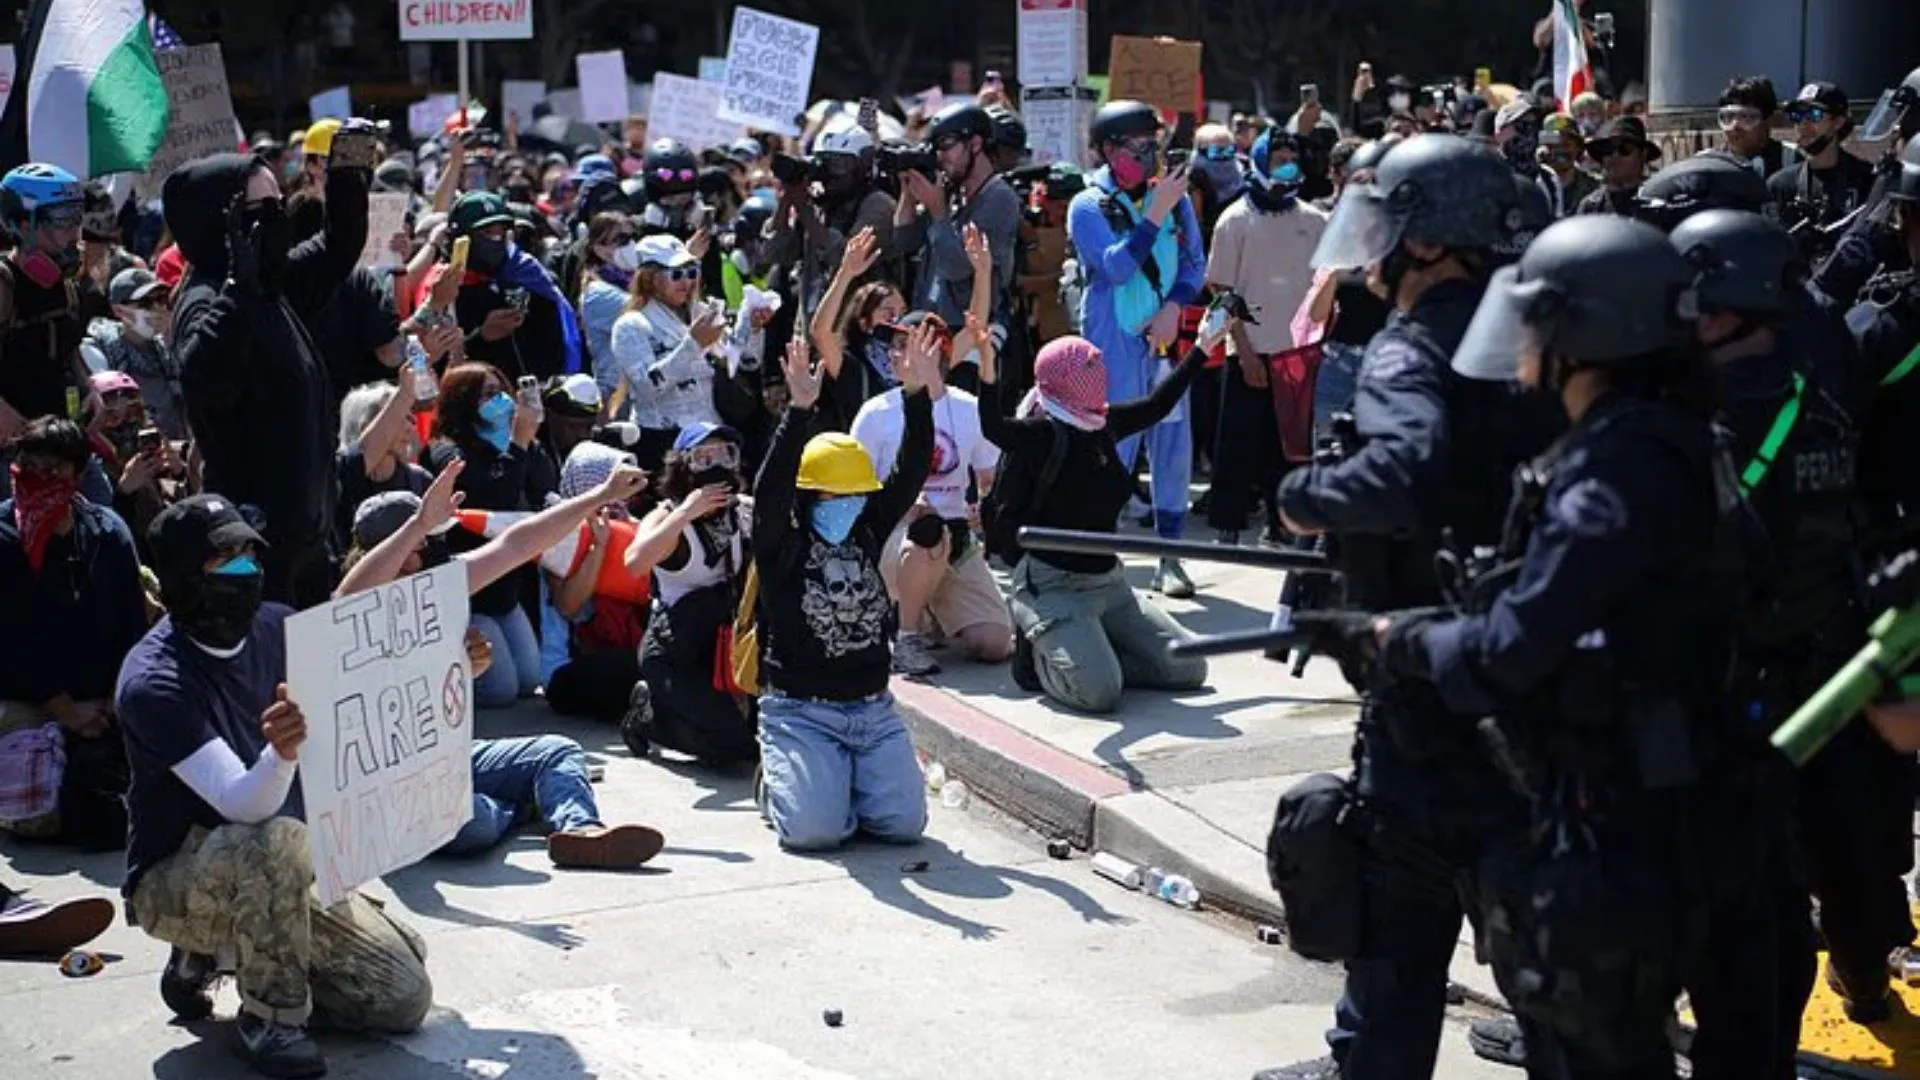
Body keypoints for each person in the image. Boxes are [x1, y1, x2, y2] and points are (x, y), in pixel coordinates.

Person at [1370, 215, 1727, 1079]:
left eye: (1537, 320)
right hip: (1669, 797)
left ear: (1587, 336)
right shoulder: (1674, 439)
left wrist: (1404, 640)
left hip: (1617, 809)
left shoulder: (1612, 472)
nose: (1520, 340)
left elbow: (1515, 645)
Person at [1260, 135, 1554, 1080]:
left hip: (1423, 717)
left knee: (1395, 959)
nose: (1372, 254)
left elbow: (1400, 469)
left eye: (1387, 233)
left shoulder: (1413, 347)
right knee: (1557, 983)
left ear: (1429, 246)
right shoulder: (1543, 339)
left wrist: (1304, 496)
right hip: (1536, 698)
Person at [117, 495, 432, 1078]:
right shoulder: (153, 681)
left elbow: (350, 613)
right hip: (177, 877)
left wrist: (451, 666)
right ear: (183, 578)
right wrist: (282, 752)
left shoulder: (275, 625)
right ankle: (271, 1017)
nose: (247, 569)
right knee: (274, 838)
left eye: (249, 552)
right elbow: (245, 802)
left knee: (403, 989)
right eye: (225, 558)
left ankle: (216, 954)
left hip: (280, 868)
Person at [338, 474, 664, 871]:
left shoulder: (437, 585)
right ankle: (523, 804)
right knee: (468, 823)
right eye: (419, 541)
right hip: (391, 787)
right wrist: (417, 525)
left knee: (558, 752)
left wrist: (601, 495)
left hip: (448, 760)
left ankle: (581, 831)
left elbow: (519, 543)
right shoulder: (348, 615)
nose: (427, 549)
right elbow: (348, 598)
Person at [165, 131, 373, 608]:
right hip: (254, 551)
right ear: (223, 223)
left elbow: (336, 249)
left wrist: (347, 176)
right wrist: (238, 288)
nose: (275, 221)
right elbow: (202, 378)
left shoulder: (270, 282)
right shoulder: (208, 297)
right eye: (260, 212)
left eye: (279, 205)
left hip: (308, 537)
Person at [751, 333, 936, 851]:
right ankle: (780, 780)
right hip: (801, 710)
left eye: (858, 494)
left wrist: (916, 395)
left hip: (873, 708)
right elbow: (769, 490)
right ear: (811, 494)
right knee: (816, 834)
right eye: (837, 494)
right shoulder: (779, 542)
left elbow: (912, 466)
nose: (849, 504)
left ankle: (834, 782)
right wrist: (800, 410)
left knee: (903, 827)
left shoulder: (866, 526)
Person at [982, 319, 1223, 714]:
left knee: (1190, 667)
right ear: (1060, 381)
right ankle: (1043, 652)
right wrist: (988, 369)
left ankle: (1092, 653)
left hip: (1108, 583)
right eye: (1086, 368)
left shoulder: (1101, 423)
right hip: (1052, 584)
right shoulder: (1041, 432)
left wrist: (1203, 343)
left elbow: (1159, 404)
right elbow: (993, 427)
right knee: (1100, 695)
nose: (1098, 371)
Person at [1068, 101, 1208, 596]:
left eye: (1156, 144)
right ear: (1109, 149)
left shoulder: (1173, 197)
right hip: (1112, 340)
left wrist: (1174, 309)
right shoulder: (1087, 205)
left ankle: (1172, 557)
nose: (1151, 155)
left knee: (1172, 445)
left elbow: (1195, 265)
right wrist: (1152, 216)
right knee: (1113, 446)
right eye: (1140, 146)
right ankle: (1099, 555)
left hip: (1164, 340)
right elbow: (1115, 268)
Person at [0, 417, 142, 849]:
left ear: (77, 475)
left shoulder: (107, 533)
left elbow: (132, 626)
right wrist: (64, 710)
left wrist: (112, 703)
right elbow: (10, 643)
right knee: (40, 810)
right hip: (28, 703)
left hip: (101, 704)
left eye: (53, 467)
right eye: (30, 463)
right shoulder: (4, 538)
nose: (38, 476)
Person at [851, 311, 1011, 676]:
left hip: (956, 538)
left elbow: (990, 479)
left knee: (994, 644)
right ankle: (907, 636)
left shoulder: (969, 409)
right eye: (893, 345)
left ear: (936, 350)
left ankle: (931, 613)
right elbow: (852, 491)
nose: (893, 353)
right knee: (927, 533)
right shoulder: (875, 414)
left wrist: (983, 508)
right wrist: (899, 503)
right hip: (896, 538)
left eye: (905, 344)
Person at [1205, 129, 1328, 545]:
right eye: (1277, 156)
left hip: (1298, 355)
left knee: (1289, 448)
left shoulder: (1314, 221)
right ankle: (1229, 527)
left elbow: (1324, 285)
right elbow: (1222, 290)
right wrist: (1245, 349)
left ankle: (1282, 528)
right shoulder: (1234, 220)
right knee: (1238, 444)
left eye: (1292, 155)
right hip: (1249, 353)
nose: (1286, 163)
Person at [622, 422, 757, 766]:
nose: (716, 465)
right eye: (702, 456)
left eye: (725, 454)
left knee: (763, 733)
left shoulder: (743, 510)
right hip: (675, 648)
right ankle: (648, 717)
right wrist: (687, 513)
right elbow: (635, 562)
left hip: (727, 642)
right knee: (732, 747)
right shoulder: (667, 516)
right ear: (683, 465)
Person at [423, 363, 547, 708]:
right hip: (469, 596)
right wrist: (519, 443)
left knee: (528, 680)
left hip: (504, 592)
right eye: (489, 394)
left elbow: (538, 483)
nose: (502, 401)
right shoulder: (447, 452)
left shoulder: (505, 443)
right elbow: (497, 498)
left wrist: (527, 437)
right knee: (501, 690)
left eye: (502, 391)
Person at [540, 441, 650, 724]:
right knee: (631, 668)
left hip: (623, 642)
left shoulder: (634, 527)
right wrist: (598, 549)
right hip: (568, 667)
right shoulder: (557, 532)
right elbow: (569, 606)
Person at [608, 235, 735, 471]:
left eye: (691, 272)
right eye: (676, 275)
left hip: (711, 432)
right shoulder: (631, 325)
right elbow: (646, 387)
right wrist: (693, 344)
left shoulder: (703, 312)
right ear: (651, 279)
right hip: (664, 439)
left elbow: (742, 362)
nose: (686, 282)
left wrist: (753, 327)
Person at [0, 164, 89, 496]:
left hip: (65, 443)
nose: (74, 233)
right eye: (63, 220)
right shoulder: (4, 283)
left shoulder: (63, 285)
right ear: (25, 225)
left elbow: (68, 348)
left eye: (76, 219)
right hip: (17, 454)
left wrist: (87, 384)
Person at [894, 102, 1021, 330]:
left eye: (946, 145)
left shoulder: (999, 198)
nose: (940, 157)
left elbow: (956, 267)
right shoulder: (951, 194)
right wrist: (908, 192)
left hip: (968, 331)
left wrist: (938, 212)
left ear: (975, 144)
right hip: (929, 323)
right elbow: (904, 240)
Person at [763, 117, 898, 320]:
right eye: (824, 162)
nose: (829, 173)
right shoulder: (820, 204)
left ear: (863, 166)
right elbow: (775, 253)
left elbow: (844, 256)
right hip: (813, 325)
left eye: (840, 164)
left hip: (858, 326)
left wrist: (804, 209)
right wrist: (788, 198)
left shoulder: (878, 205)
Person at [447, 190, 586, 384]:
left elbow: (559, 342)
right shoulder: (447, 287)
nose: (497, 240)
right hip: (475, 398)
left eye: (502, 232)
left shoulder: (531, 276)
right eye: (487, 233)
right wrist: (482, 336)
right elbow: (437, 361)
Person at [810, 227, 910, 431]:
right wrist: (845, 274)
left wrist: (982, 270)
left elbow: (969, 334)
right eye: (887, 311)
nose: (897, 318)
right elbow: (820, 332)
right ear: (864, 323)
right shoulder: (854, 367)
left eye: (902, 310)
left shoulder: (917, 363)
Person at [1768, 81, 1875, 261]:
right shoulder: (1780, 185)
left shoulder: (1867, 180)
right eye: (1797, 116)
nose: (1803, 124)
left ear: (1838, 122)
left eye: (1814, 115)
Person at [81, 267, 188, 440]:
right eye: (145, 303)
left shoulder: (168, 348)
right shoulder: (100, 347)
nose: (157, 308)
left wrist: (171, 338)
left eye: (161, 299)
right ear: (119, 311)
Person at [334, 374, 434, 556]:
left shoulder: (420, 480)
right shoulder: (338, 480)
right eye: (398, 419)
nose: (410, 428)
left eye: (410, 418)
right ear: (366, 426)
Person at [576, 212, 640, 400]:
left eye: (632, 237)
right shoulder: (598, 293)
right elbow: (649, 313)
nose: (629, 245)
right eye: (620, 239)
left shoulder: (636, 278)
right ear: (599, 248)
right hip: (618, 393)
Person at [1575, 116, 1659, 217]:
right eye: (1608, 149)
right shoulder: (1591, 207)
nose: (1615, 156)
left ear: (1643, 154)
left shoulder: (1657, 201)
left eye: (1625, 149)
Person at [1718, 76, 1797, 177]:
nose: (1735, 127)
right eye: (1728, 117)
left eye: (1746, 117)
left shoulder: (1792, 159)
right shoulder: (1710, 162)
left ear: (1769, 120)